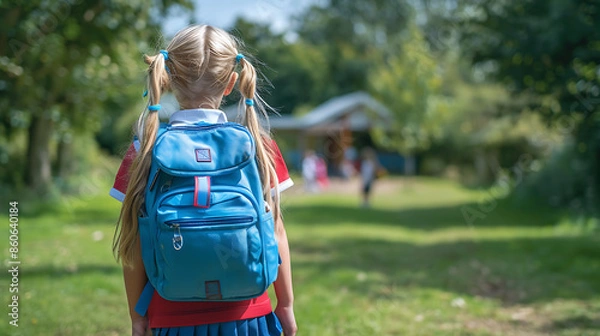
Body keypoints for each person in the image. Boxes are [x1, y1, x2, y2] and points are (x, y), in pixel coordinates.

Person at [110, 25, 297, 336]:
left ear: (166, 79)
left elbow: (134, 240)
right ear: (232, 83)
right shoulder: (258, 145)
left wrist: (137, 316)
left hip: (171, 315)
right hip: (249, 314)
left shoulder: (144, 148)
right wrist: (286, 305)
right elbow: (276, 229)